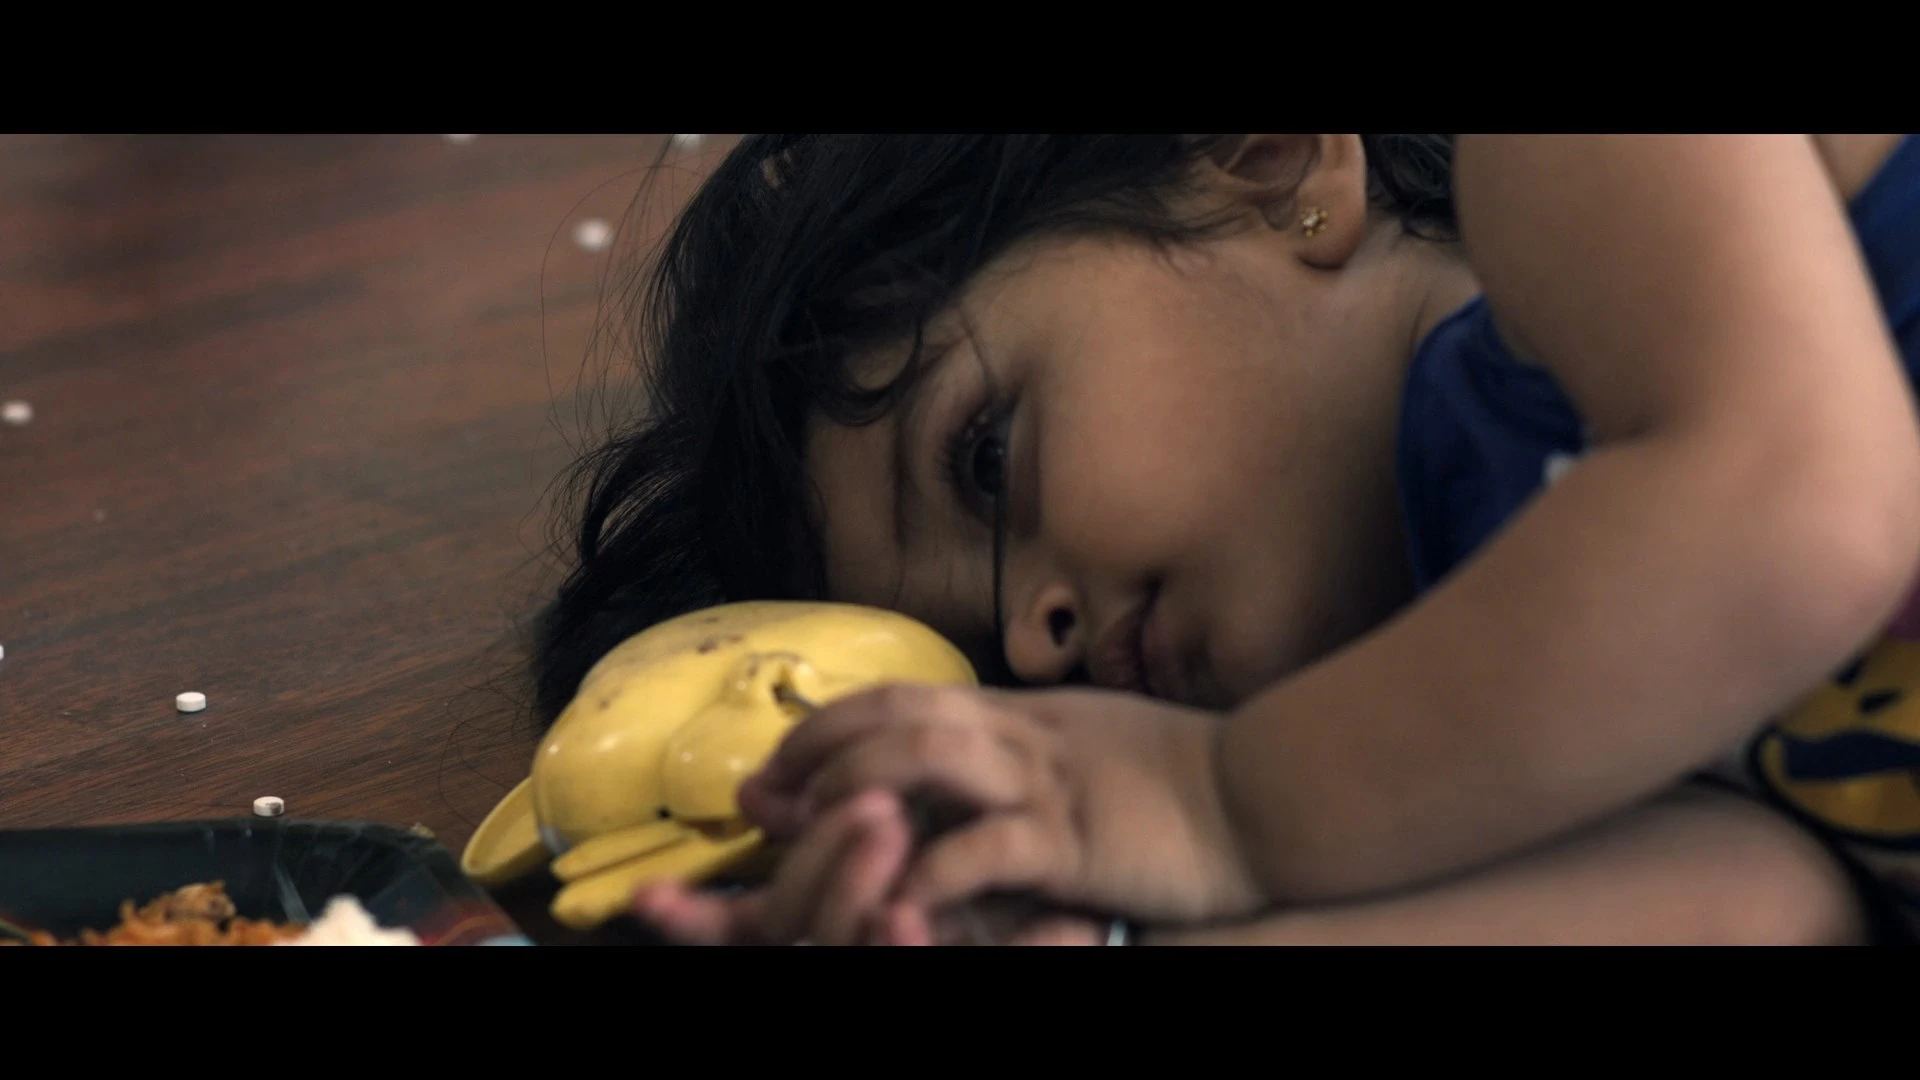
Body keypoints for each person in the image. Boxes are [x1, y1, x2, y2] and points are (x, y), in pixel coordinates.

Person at [540, 135, 1920, 944]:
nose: (1034, 644)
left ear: (1271, 168)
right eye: (991, 669)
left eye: (986, 460)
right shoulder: (1501, 738)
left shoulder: (1575, 175)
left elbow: (1800, 511)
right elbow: (1770, 906)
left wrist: (1224, 807)